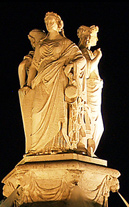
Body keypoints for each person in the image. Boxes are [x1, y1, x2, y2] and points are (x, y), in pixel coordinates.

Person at [19, 12, 86, 155]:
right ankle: (38, 147)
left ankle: (58, 146)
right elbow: (34, 66)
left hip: (58, 82)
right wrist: (28, 85)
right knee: (36, 113)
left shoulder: (67, 44)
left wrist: (70, 65)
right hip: (41, 83)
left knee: (58, 116)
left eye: (52, 21)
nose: (49, 24)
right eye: (47, 22)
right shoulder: (41, 45)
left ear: (59, 24)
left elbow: (82, 60)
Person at [76, 25, 103, 156]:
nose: (87, 39)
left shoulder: (88, 52)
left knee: (95, 122)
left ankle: (88, 148)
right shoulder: (83, 52)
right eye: (84, 36)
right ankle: (86, 147)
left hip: (94, 89)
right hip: (89, 89)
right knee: (91, 120)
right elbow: (87, 71)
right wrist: (98, 57)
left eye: (89, 37)